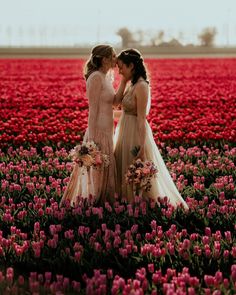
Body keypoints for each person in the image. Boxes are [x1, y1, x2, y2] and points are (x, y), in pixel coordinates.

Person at [114, 48, 188, 209]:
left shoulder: (141, 86)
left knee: (134, 167)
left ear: (131, 66)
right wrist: (122, 81)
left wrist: (141, 145)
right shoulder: (130, 84)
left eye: (121, 67)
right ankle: (126, 203)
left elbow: (141, 118)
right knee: (123, 166)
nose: (119, 71)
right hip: (124, 131)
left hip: (135, 132)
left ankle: (141, 205)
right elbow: (116, 102)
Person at [60, 44, 127, 206]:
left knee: (104, 165)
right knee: (97, 166)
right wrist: (91, 138)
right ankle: (95, 201)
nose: (115, 59)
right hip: (98, 130)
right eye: (112, 56)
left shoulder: (106, 77)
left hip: (107, 128)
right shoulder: (95, 77)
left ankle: (103, 199)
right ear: (104, 59)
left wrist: (125, 80)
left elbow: (114, 103)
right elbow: (93, 109)